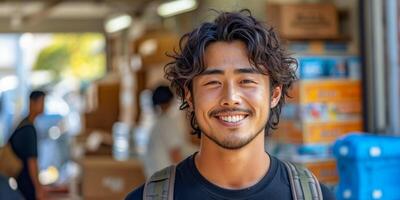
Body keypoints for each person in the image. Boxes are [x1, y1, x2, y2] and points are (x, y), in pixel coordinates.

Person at [126, 10, 335, 199]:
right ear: (189, 96)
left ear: (275, 94)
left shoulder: (315, 196)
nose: (231, 97)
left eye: (247, 81)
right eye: (213, 82)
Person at [9, 91, 46, 200]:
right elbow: (32, 161)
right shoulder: (28, 129)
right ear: (32, 103)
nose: (43, 106)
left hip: (20, 178)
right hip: (26, 179)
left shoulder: (23, 124)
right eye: (41, 102)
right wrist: (38, 187)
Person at [143, 85, 184, 177]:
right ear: (171, 100)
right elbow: (175, 153)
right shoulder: (167, 123)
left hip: (156, 178)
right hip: (166, 179)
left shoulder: (156, 124)